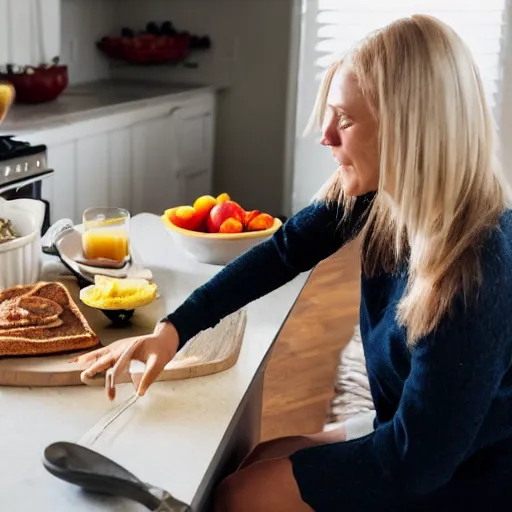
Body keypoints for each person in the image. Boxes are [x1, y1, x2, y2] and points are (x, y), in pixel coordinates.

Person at [77, 14, 512, 511]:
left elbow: (418, 464)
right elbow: (284, 251)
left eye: (345, 120)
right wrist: (172, 331)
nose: (326, 136)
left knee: (240, 496)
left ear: (409, 133)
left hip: (465, 478)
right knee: (262, 456)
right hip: (414, 434)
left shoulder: (476, 269)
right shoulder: (383, 195)